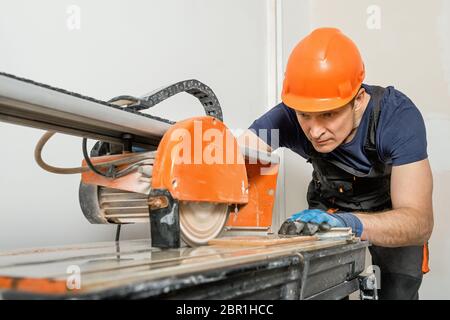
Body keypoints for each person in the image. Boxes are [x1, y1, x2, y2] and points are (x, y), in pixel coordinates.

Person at [239, 27, 433, 300]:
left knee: (399, 289)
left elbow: (419, 222)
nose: (314, 130)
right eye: (305, 115)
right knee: (321, 290)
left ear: (358, 100)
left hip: (392, 212)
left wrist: (348, 223)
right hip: (329, 207)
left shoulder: (397, 118)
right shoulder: (286, 118)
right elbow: (235, 159)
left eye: (328, 115)